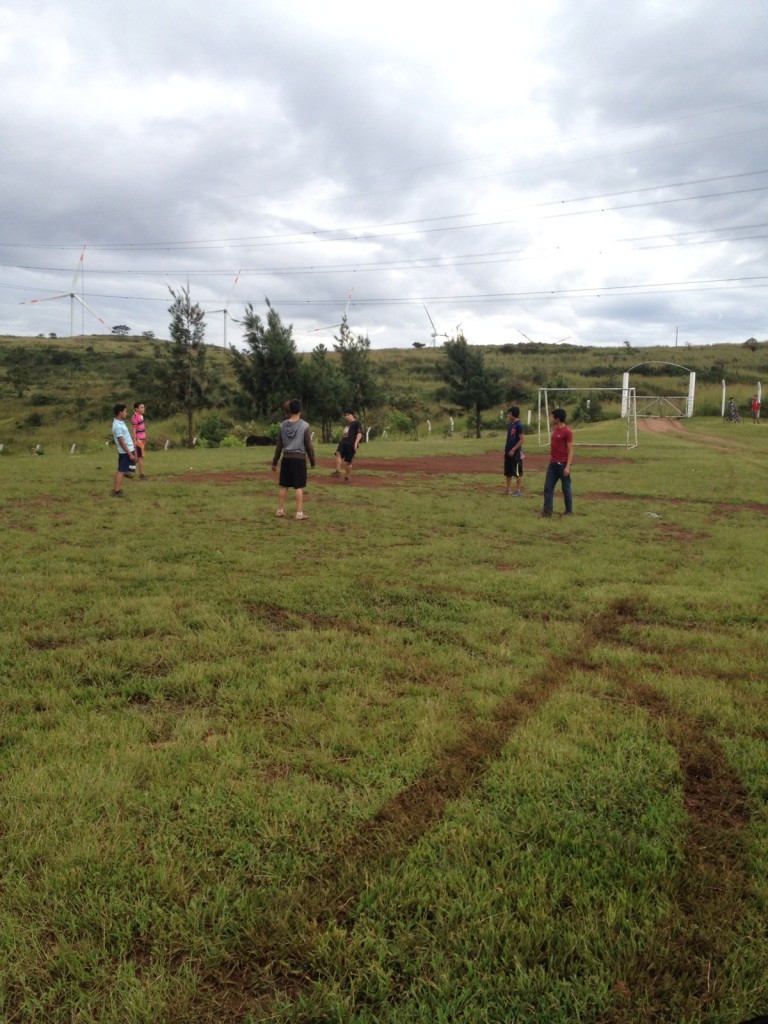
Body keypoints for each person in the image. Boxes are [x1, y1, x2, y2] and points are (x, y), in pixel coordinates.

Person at [271, 398, 316, 520]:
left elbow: (279, 446)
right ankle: (299, 513)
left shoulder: (282, 425)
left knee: (283, 486)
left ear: (289, 410)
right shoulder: (304, 426)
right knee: (298, 487)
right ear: (300, 410)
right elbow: (308, 446)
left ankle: (280, 510)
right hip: (299, 459)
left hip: (286, 459)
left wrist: (275, 462)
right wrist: (312, 461)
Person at [542, 407, 573, 517]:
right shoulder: (555, 429)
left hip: (563, 465)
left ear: (558, 419)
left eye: (553, 417)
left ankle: (569, 511)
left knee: (566, 489)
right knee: (548, 488)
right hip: (553, 464)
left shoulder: (567, 432)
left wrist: (568, 466)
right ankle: (547, 512)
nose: (551, 418)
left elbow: (570, 450)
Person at [111, 404, 137, 497]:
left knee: (132, 466)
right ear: (120, 412)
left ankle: (127, 471)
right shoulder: (117, 426)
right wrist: (129, 453)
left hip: (130, 448)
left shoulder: (121, 422)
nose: (126, 413)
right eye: (125, 411)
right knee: (121, 471)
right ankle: (116, 491)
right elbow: (121, 442)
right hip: (125, 452)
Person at [332, 409, 363, 481]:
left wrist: (356, 443)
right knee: (338, 453)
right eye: (345, 415)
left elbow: (360, 433)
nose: (346, 416)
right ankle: (337, 471)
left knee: (348, 462)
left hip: (351, 444)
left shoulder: (357, 422)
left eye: (348, 415)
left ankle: (347, 476)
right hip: (343, 442)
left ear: (352, 415)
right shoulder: (348, 425)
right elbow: (345, 434)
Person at [503, 405, 525, 496]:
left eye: (509, 414)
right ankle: (508, 489)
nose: (508, 415)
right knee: (508, 472)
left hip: (515, 453)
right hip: (508, 452)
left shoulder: (519, 425)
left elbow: (522, 439)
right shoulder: (511, 425)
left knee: (517, 472)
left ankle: (518, 491)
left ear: (513, 415)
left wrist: (513, 449)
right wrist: (506, 451)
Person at [131, 401, 148, 479]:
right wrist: (135, 440)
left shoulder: (141, 416)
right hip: (138, 440)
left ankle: (127, 470)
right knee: (140, 457)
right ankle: (141, 475)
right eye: (141, 407)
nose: (143, 409)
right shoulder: (135, 416)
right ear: (136, 408)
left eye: (143, 407)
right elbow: (134, 430)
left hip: (142, 439)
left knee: (138, 457)